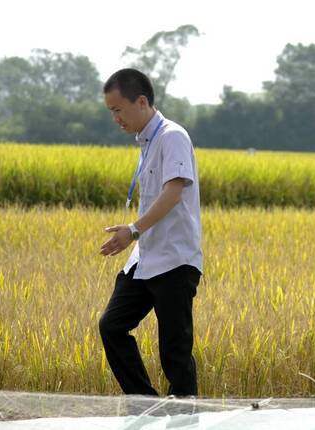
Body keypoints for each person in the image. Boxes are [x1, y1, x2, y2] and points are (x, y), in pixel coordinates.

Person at [98, 68, 203, 396]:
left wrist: (132, 229)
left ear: (141, 101)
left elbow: (173, 192)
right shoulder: (147, 141)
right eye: (111, 111)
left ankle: (184, 419)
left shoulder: (172, 136)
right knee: (112, 326)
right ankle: (144, 404)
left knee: (175, 353)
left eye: (118, 109)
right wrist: (135, 236)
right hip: (145, 258)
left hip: (174, 259)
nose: (115, 118)